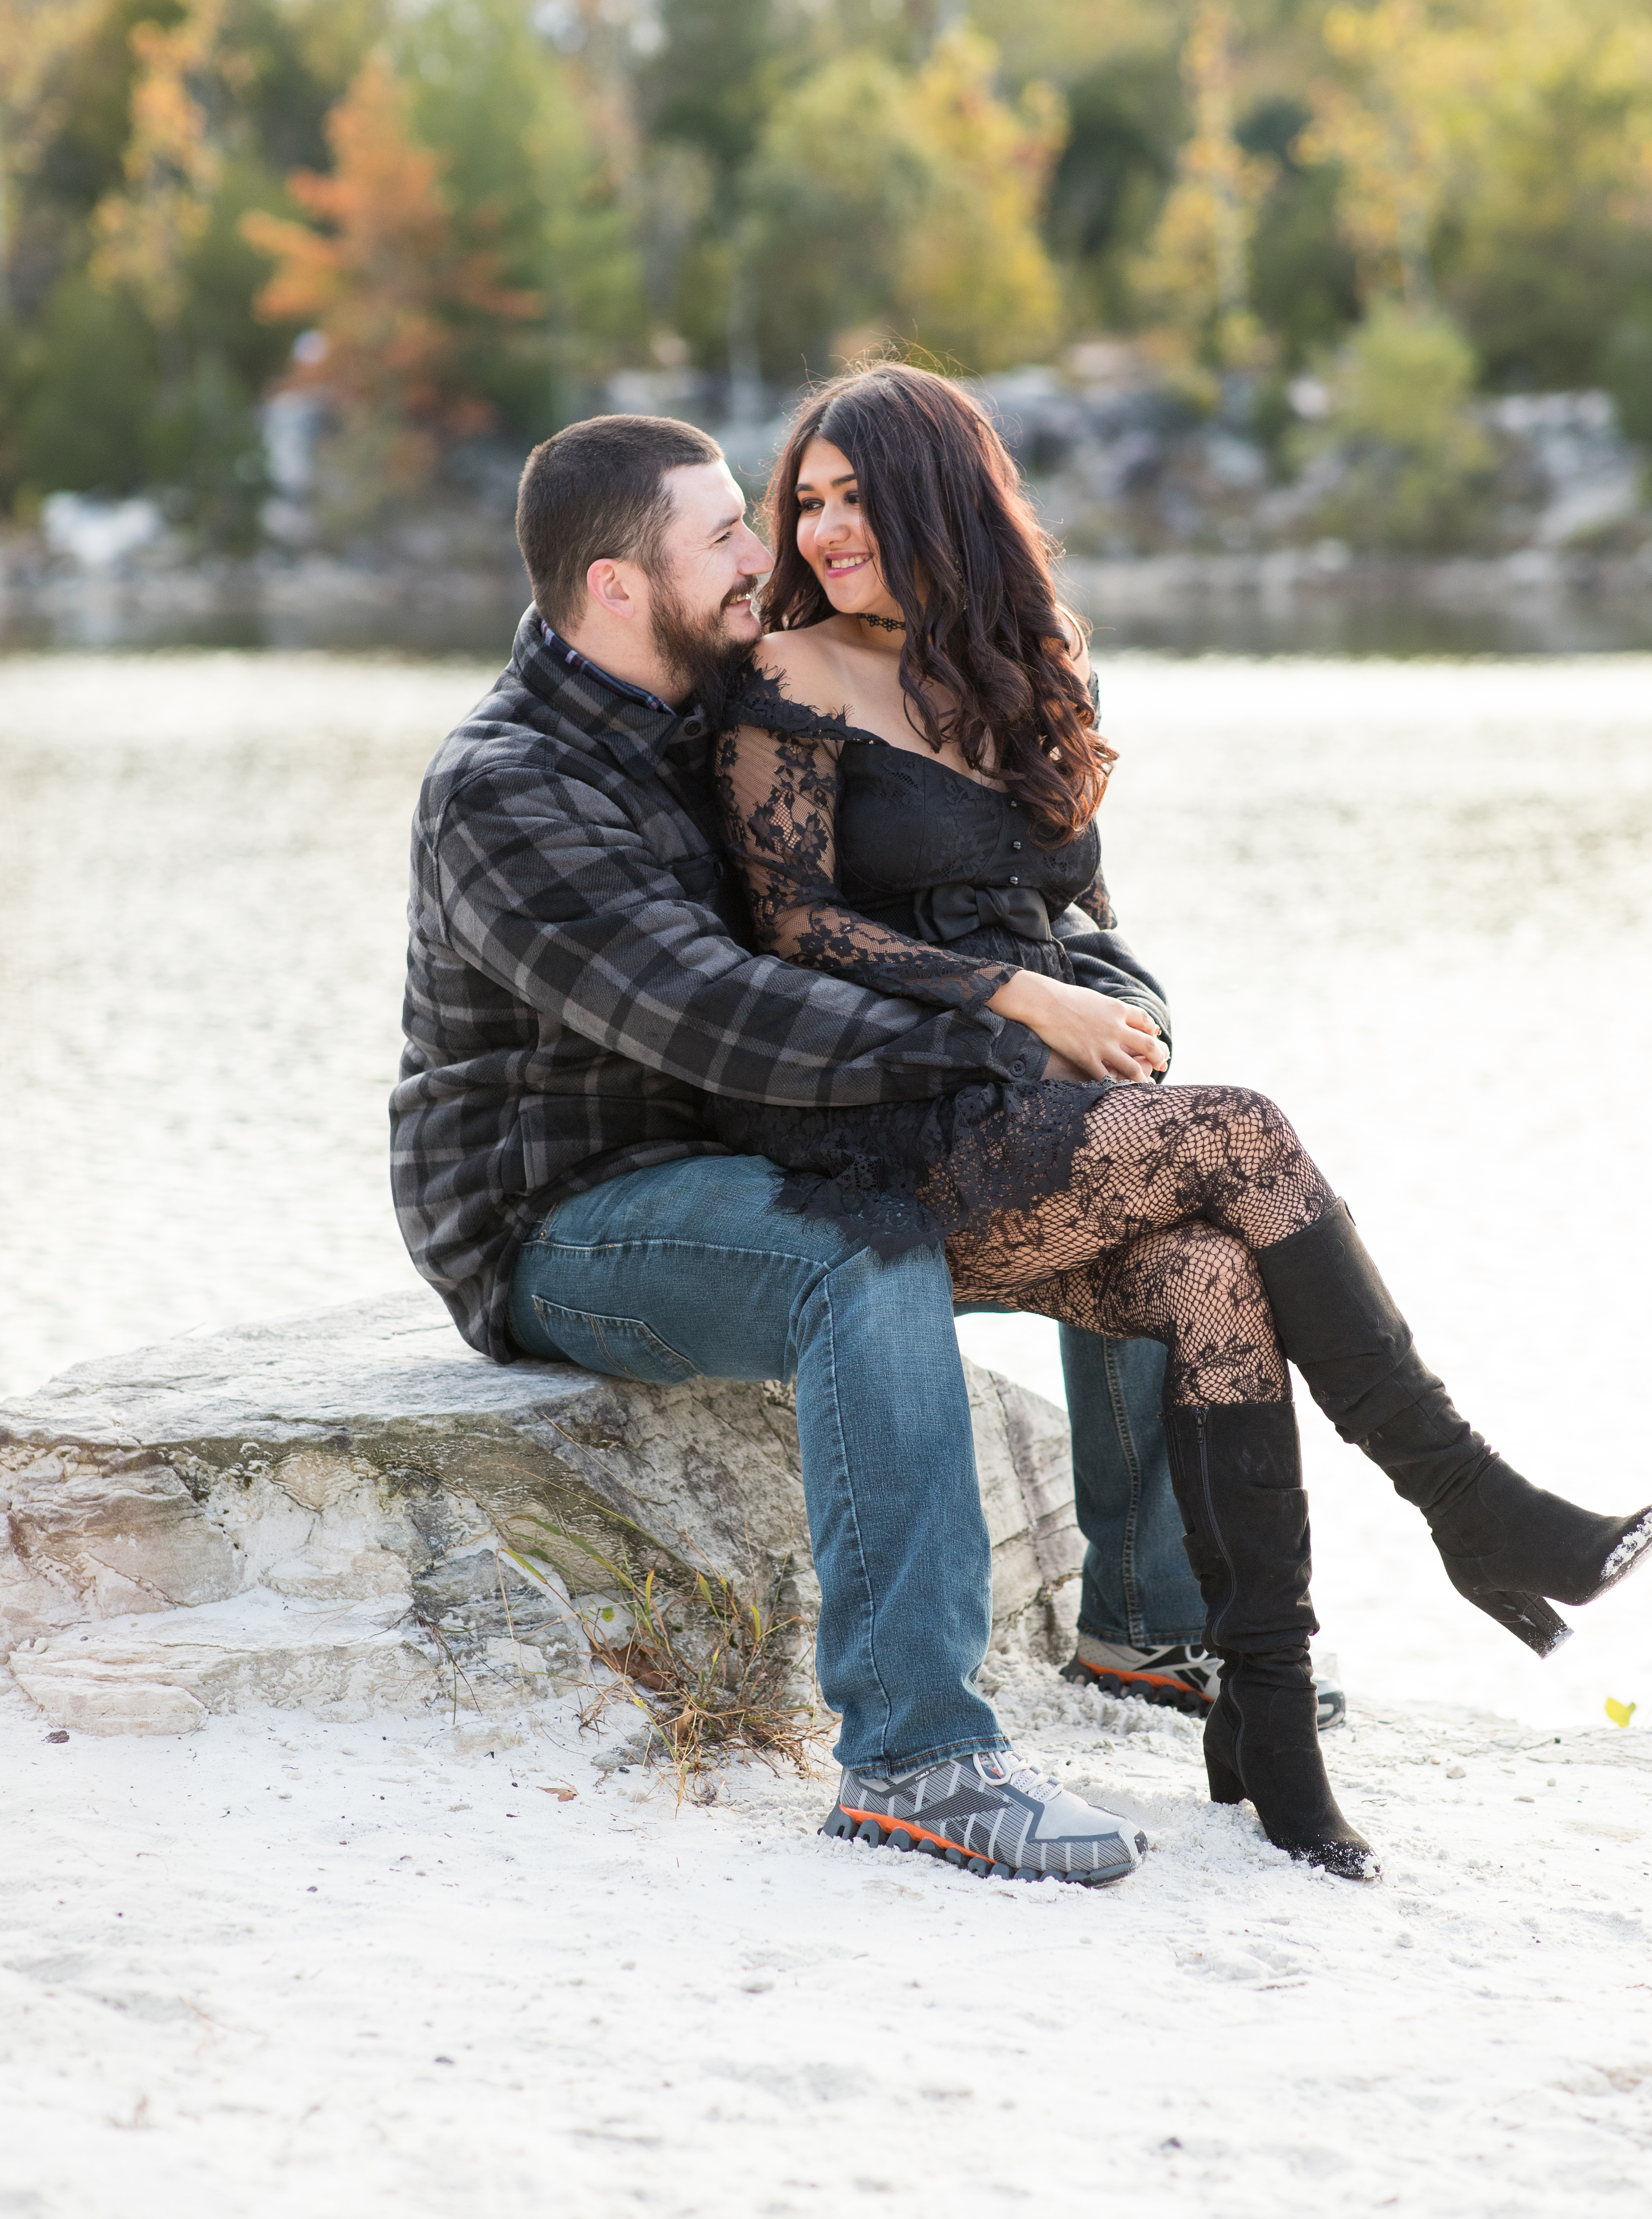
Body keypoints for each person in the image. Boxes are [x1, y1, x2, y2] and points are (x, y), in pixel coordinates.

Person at [706, 361, 1652, 1884]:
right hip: (889, 1130)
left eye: (853, 498)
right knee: (1249, 1135)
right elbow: (794, 929)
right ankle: (1471, 1501)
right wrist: (1023, 1001)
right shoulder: (793, 677)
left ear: (937, 500)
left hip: (1051, 1113)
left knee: (1220, 1283)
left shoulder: (1024, 667)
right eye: (806, 502)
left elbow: (1088, 914)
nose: (823, 531)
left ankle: (1267, 1730)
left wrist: (1107, 1011)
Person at [392, 411, 1141, 1889]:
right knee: (863, 1255)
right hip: (566, 1217)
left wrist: (1110, 1022)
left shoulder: (727, 710)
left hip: (764, 1150)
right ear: (619, 584)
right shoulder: (509, 785)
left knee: (1140, 1170)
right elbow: (712, 1014)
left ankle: (1154, 1632)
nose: (770, 553)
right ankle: (918, 1761)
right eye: (728, 531)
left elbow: (997, 916)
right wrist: (1011, 1042)